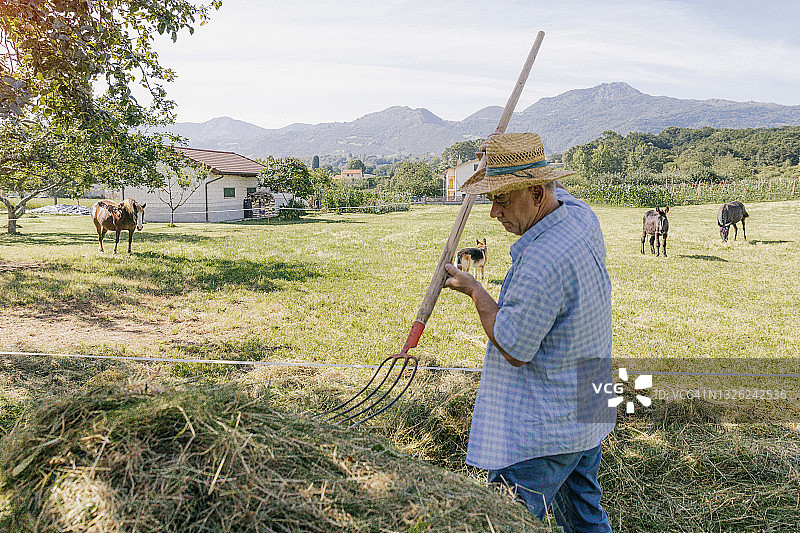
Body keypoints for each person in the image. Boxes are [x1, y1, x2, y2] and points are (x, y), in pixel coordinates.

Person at [444, 132, 616, 533]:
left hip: (548, 424)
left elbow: (514, 346)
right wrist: (500, 158)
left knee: (504, 521)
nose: (493, 213)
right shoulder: (578, 214)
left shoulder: (541, 261)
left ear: (537, 193)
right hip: (590, 400)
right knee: (585, 515)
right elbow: (560, 191)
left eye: (502, 199)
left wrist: (475, 290)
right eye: (491, 199)